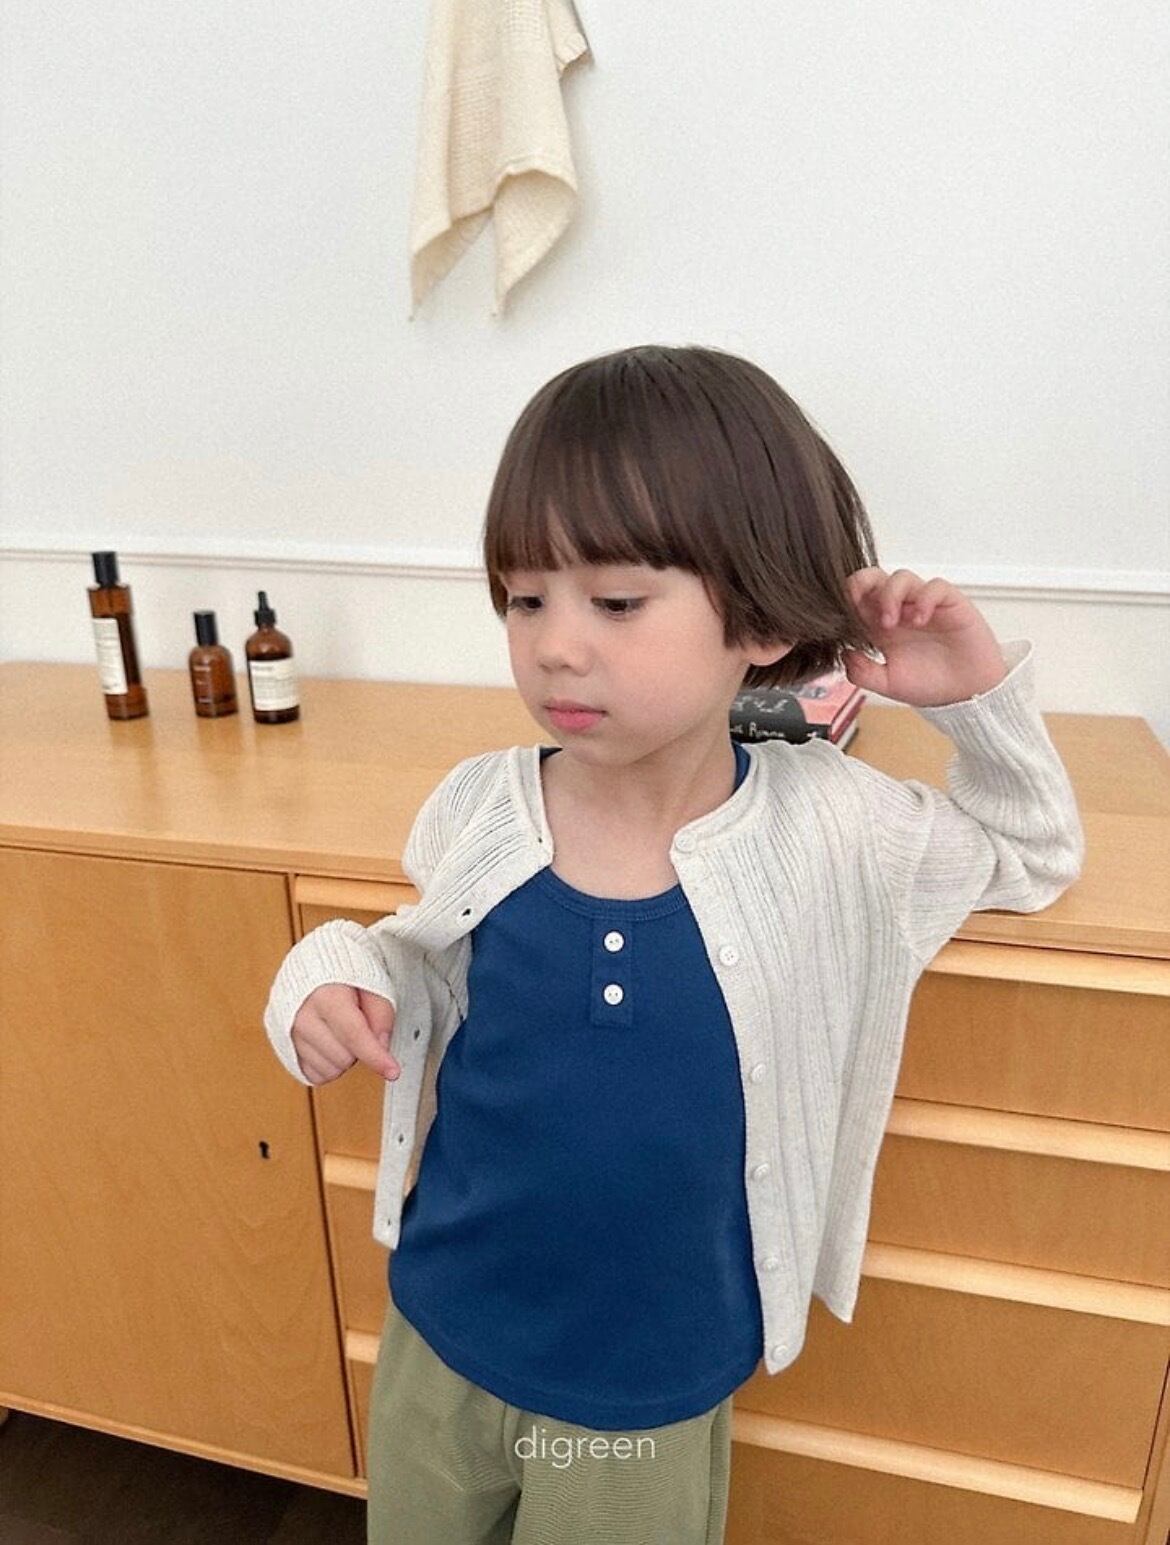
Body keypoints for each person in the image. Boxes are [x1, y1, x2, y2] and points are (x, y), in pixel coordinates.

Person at [263, 344, 1085, 1545]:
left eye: (615, 603)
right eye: (525, 599)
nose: (555, 645)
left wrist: (969, 697)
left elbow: (1031, 850)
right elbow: (412, 956)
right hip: (441, 1333)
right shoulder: (481, 802)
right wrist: (331, 972)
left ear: (760, 618)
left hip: (640, 1394)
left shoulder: (837, 831)